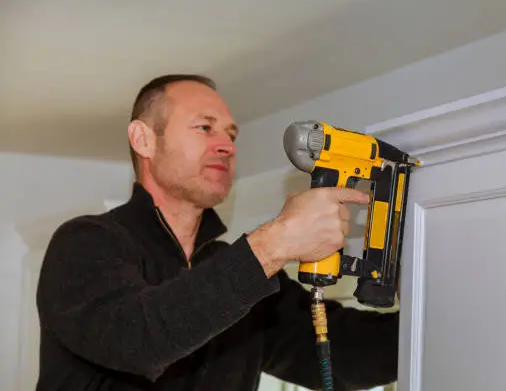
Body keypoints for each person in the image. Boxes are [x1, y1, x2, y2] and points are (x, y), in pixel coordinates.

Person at [35, 74, 400, 391]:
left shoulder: (235, 272)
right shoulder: (85, 244)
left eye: (231, 134)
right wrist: (277, 241)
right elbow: (139, 339)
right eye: (204, 127)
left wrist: (433, 304)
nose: (227, 145)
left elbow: (347, 354)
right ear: (143, 139)